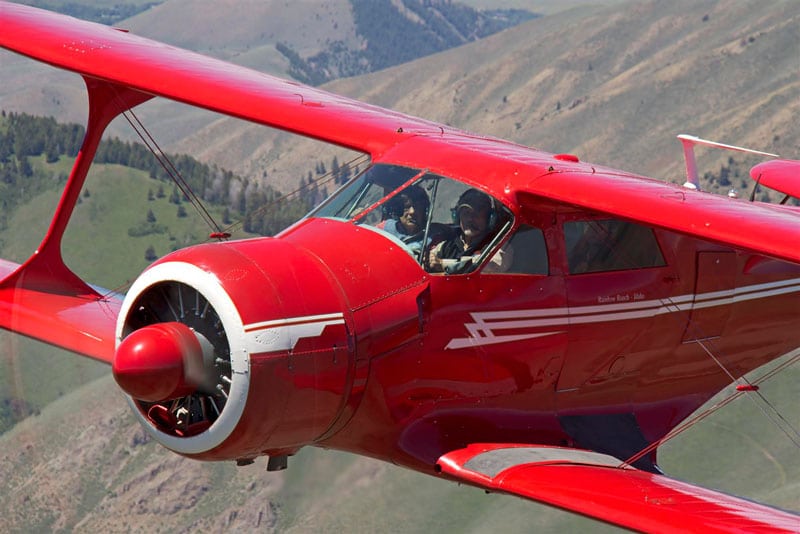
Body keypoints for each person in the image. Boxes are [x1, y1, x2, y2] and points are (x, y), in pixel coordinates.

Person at [428, 188, 513, 274]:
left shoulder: (499, 245)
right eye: (466, 213)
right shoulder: (446, 244)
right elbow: (429, 259)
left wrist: (443, 264)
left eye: (477, 214)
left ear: (490, 218)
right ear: (457, 217)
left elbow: (489, 266)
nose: (470, 219)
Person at [376, 185, 431, 256]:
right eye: (407, 207)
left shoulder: (435, 237)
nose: (412, 211)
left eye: (417, 206)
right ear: (397, 210)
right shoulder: (384, 230)